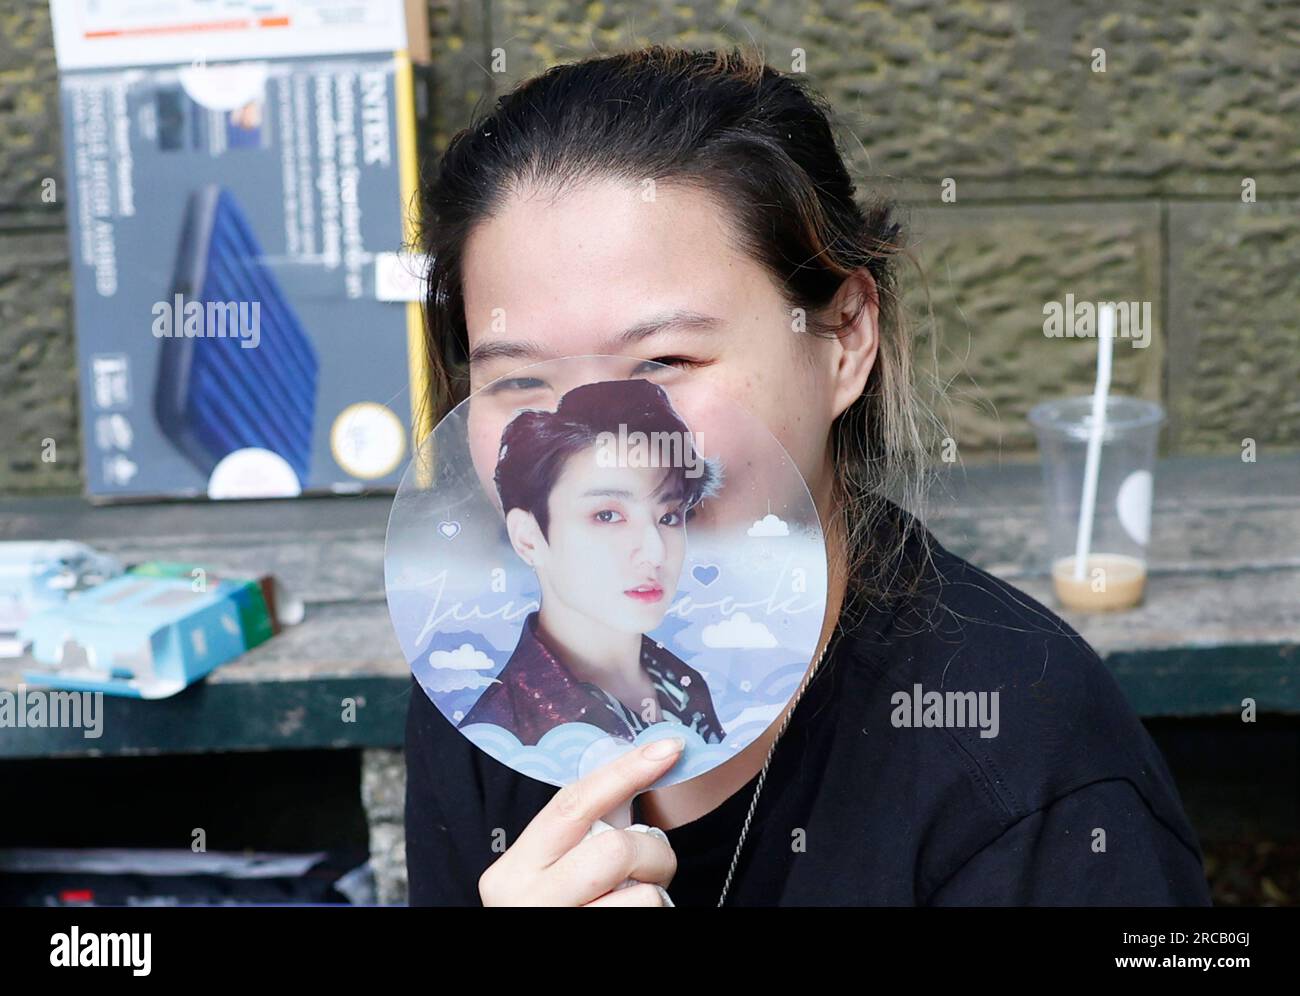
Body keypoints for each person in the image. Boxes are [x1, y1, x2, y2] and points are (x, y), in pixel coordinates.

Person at [405, 46, 1213, 907]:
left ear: (844, 338)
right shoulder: (481, 694)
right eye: (519, 380)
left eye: (664, 359)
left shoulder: (1028, 779)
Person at [457, 378, 726, 746]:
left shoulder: (685, 685)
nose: (655, 552)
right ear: (528, 536)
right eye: (607, 516)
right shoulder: (499, 732)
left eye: (669, 516)